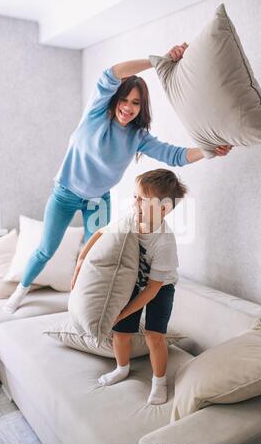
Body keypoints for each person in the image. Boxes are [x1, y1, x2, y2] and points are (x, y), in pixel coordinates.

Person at [3, 42, 232, 314]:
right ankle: (21, 291)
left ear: (141, 107)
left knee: (94, 256)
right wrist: (159, 60)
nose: (128, 107)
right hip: (65, 194)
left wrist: (209, 151)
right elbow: (111, 73)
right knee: (46, 250)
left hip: (98, 201)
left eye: (135, 103)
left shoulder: (138, 137)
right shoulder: (96, 114)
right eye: (124, 100)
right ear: (115, 100)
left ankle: (80, 303)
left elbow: (174, 155)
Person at [71, 168, 187, 405]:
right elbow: (102, 232)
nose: (135, 202)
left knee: (154, 336)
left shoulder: (164, 242)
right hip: (133, 281)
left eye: (142, 199)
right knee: (121, 332)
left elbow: (153, 290)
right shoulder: (130, 220)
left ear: (163, 209)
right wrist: (83, 258)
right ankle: (122, 368)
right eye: (135, 196)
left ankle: (159, 381)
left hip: (160, 288)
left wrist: (122, 313)